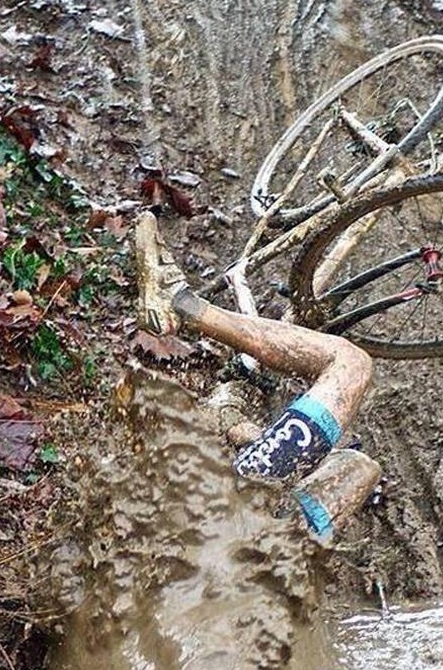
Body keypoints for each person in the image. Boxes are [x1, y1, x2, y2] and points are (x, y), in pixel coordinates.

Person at [135, 212, 381, 542]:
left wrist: (234, 422)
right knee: (360, 465)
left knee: (351, 365)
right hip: (258, 555)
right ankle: (289, 547)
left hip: (227, 530)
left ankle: (182, 305)